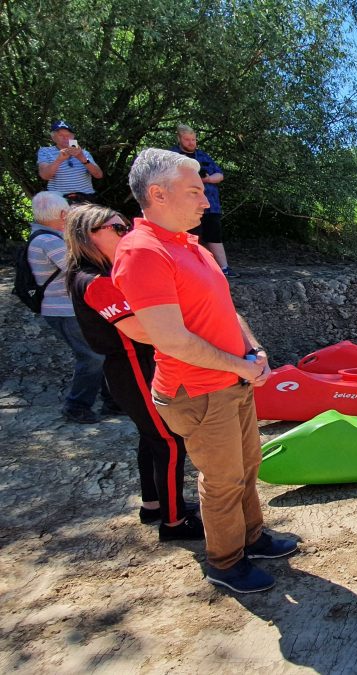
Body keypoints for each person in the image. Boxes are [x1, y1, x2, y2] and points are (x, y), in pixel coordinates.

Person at [113, 148, 296, 593]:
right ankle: (225, 562)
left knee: (249, 465)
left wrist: (255, 351)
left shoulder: (189, 244)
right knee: (223, 479)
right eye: (194, 191)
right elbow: (171, 338)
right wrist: (240, 365)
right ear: (157, 194)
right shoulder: (142, 252)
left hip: (231, 381)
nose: (205, 201)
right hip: (195, 390)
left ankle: (252, 538)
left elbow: (225, 309)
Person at [63, 204, 203, 541]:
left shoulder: (104, 274)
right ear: (89, 235)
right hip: (133, 367)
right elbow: (142, 330)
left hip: (133, 366)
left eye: (126, 226)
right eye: (117, 228)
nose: (127, 233)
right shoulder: (95, 281)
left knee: (151, 436)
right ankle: (174, 522)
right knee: (169, 441)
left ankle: (154, 504)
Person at [27, 191, 117, 423]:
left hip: (67, 309)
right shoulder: (48, 240)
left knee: (101, 352)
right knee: (92, 356)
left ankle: (113, 401)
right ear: (62, 213)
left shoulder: (46, 237)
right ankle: (76, 405)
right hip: (63, 310)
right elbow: (76, 268)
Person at [170, 124, 237, 278]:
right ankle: (191, 270)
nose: (191, 143)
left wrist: (206, 179)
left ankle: (224, 269)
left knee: (214, 236)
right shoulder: (172, 156)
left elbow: (219, 175)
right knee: (190, 237)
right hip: (185, 206)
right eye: (187, 139)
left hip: (210, 205)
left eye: (193, 139)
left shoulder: (204, 156)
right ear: (179, 138)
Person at [37, 120, 104, 203]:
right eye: (61, 135)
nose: (65, 138)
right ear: (53, 137)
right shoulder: (45, 151)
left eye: (68, 135)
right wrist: (58, 160)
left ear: (73, 137)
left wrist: (82, 158)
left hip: (86, 198)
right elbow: (44, 176)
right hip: (59, 200)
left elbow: (99, 175)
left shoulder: (84, 153)